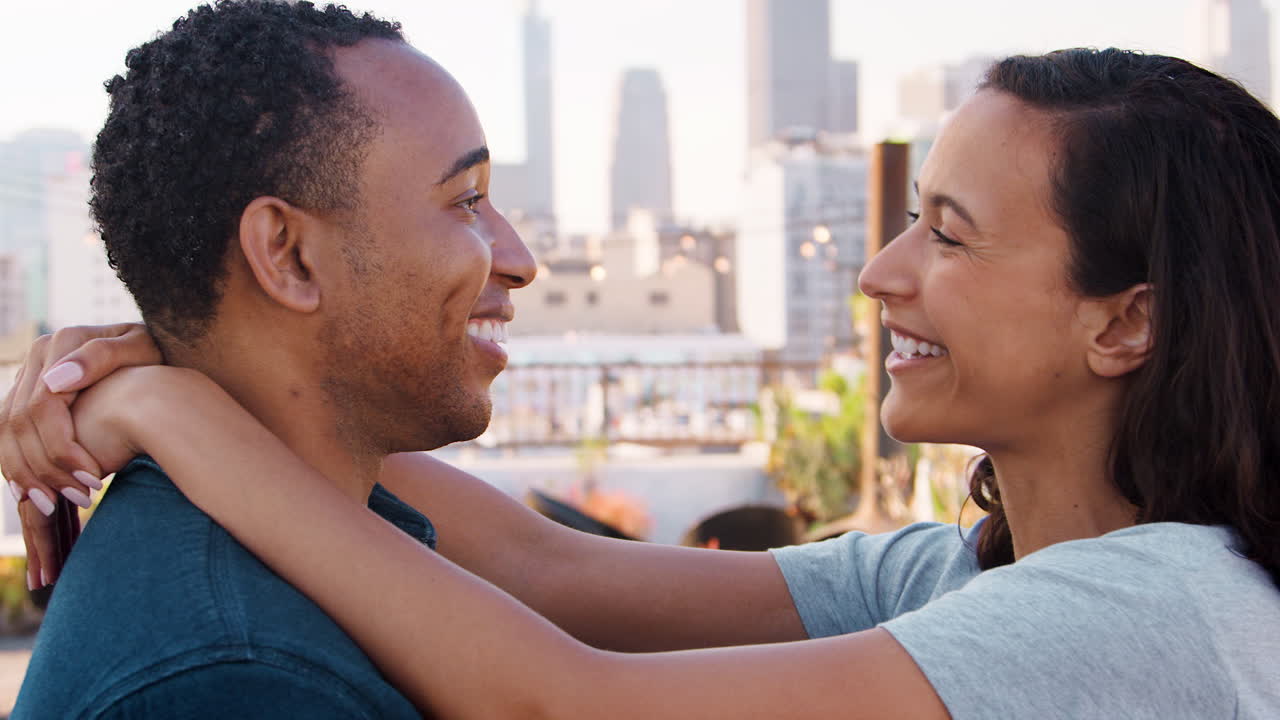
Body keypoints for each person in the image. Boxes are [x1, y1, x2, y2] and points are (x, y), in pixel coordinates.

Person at [9, 47, 1280, 718]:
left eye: (944, 235)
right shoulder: (949, 580)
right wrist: (196, 351)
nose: (880, 276)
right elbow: (547, 571)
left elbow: (558, 701)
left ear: (1126, 325)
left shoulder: (1159, 616)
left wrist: (163, 406)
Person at [3, 1, 537, 717]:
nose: (521, 261)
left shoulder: (297, 521)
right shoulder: (244, 680)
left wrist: (165, 394)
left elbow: (550, 573)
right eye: (466, 201)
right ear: (287, 255)